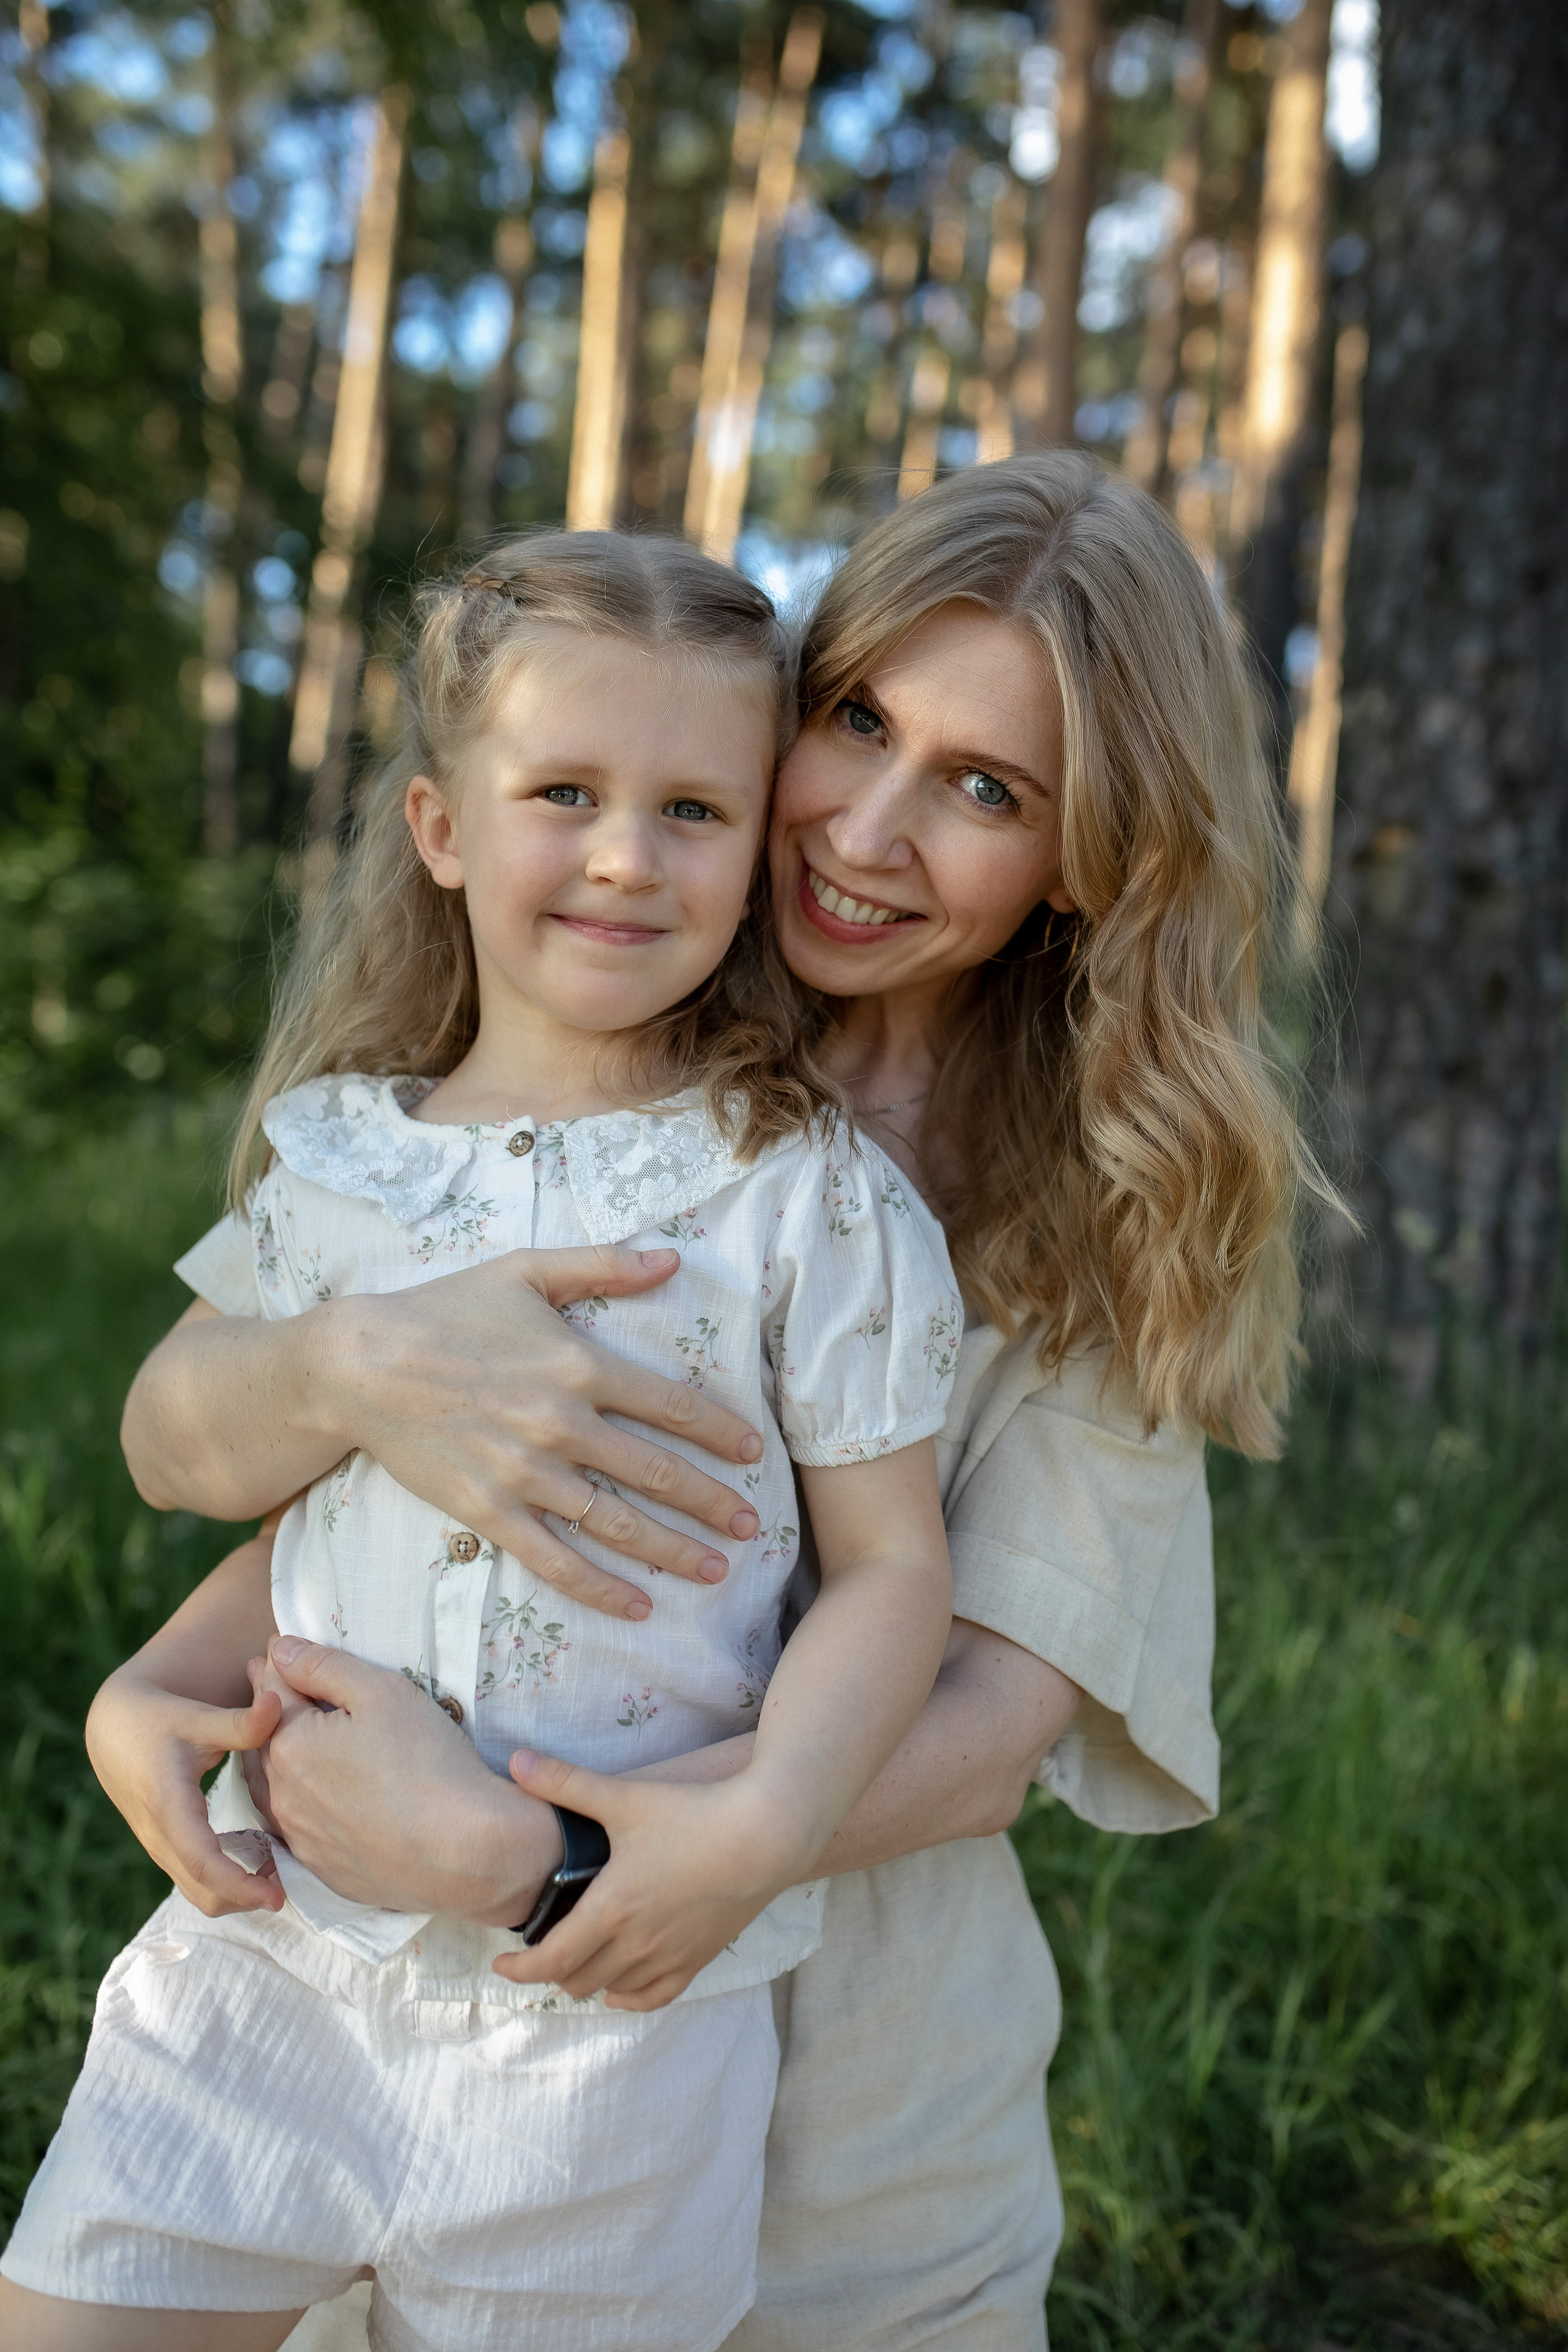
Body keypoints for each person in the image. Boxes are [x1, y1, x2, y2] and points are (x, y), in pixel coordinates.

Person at [84, 453, 1331, 2350]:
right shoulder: (580, 1037)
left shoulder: (1108, 1198)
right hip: (397, 2022)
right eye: (857, 724)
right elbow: (339, 1482)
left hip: (849, 2134)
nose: (872, 830)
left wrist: (538, 1855)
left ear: (1092, 858)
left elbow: (991, 1714)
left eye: (985, 789)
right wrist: (183, 1658)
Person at [0, 533, 965, 2352]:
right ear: (443, 827)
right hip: (272, 1947)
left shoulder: (806, 1199)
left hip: (613, 2017)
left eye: (694, 807)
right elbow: (172, 1442)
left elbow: (895, 1570)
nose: (624, 854)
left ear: (762, 850)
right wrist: (160, 1644)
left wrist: (766, 1819)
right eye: (565, 793)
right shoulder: (343, 1158)